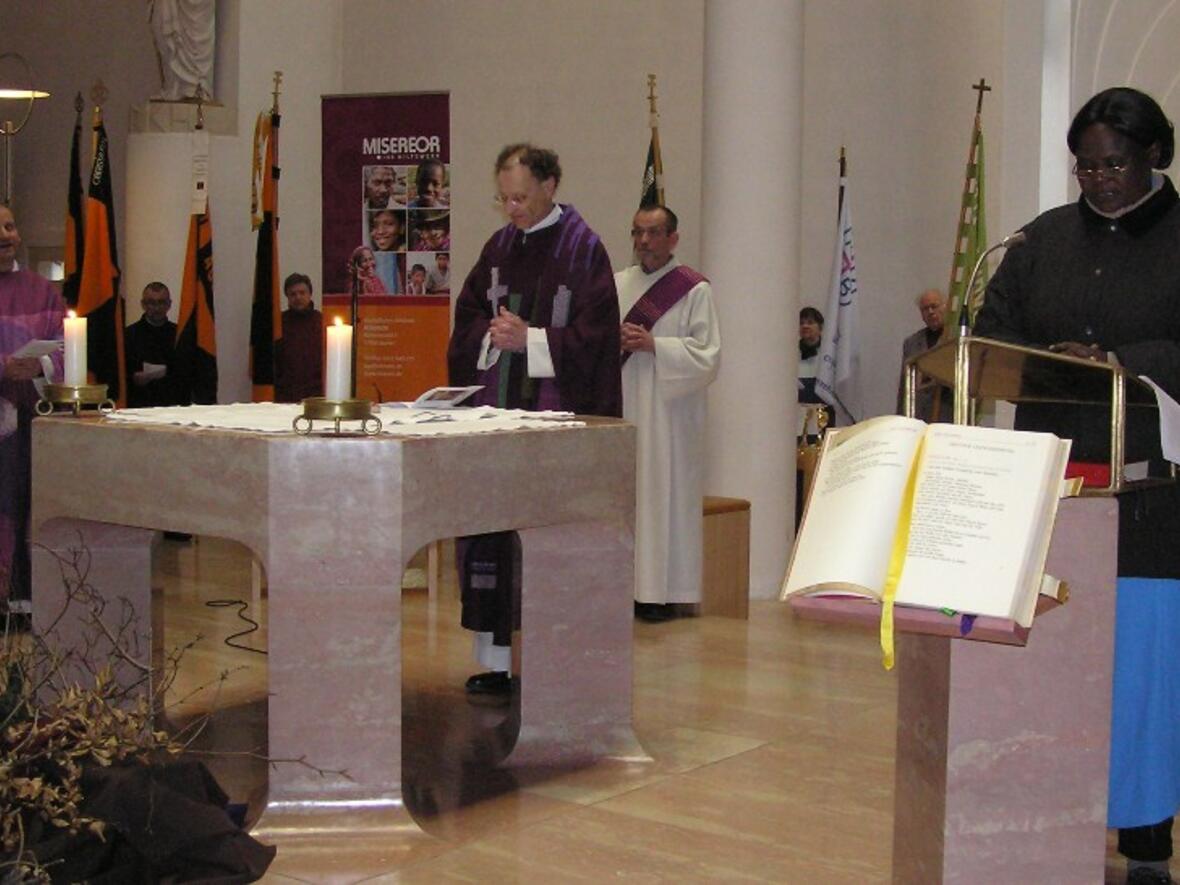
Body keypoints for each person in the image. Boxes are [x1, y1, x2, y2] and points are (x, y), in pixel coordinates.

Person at [974, 86, 1180, 885]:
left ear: (1155, 156)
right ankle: (1051, 814)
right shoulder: (1039, 242)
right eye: (1085, 166)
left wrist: (1128, 363)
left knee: (1140, 669)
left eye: (1115, 164)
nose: (1098, 180)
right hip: (1051, 483)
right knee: (1055, 655)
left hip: (1152, 494)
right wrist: (1046, 359)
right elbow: (989, 332)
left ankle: (1146, 842)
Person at [447, 143, 621, 695]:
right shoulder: (498, 247)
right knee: (495, 538)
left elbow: (598, 339)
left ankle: (553, 660)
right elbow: (467, 318)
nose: (512, 208)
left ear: (550, 185)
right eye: (503, 198)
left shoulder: (583, 250)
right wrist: (489, 337)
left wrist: (534, 341)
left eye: (520, 196)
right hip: (499, 423)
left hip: (552, 427)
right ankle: (500, 661)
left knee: (546, 543)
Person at [616, 205, 720, 623]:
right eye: (638, 232)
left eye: (654, 233)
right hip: (625, 405)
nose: (644, 241)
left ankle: (661, 592)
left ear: (673, 238)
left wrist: (656, 345)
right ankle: (626, 588)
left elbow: (708, 356)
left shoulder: (693, 290)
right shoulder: (618, 284)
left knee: (663, 495)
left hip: (669, 414)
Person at [0, 203, 64, 609]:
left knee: (23, 505)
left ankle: (20, 599)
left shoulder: (43, 291)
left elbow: (65, 349)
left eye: (9, 225)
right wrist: (5, 365)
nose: (6, 235)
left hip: (26, 423)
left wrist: (39, 364)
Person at [896, 288, 951, 421]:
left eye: (934, 306)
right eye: (925, 309)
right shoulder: (911, 343)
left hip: (947, 417)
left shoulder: (954, 339)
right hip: (918, 417)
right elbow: (905, 386)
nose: (930, 312)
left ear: (946, 307)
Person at [124, 282, 180, 408]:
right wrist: (133, 377)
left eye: (161, 302)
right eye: (151, 303)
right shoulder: (128, 335)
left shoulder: (179, 335)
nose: (157, 308)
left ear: (169, 304)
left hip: (172, 405)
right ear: (143, 304)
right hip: (138, 404)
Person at [274, 272, 323, 402]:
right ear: (287, 297)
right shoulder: (277, 323)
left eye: (302, 293)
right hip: (285, 395)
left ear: (310, 294)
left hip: (317, 395)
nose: (298, 297)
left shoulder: (323, 322)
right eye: (293, 294)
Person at [798, 306, 824, 404]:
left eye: (810, 322)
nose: (805, 326)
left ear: (820, 327)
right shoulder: (790, 353)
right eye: (801, 323)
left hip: (823, 409)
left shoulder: (828, 353)